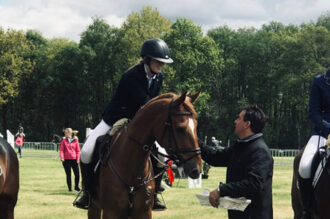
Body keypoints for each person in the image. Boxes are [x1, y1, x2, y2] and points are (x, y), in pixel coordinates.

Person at [74, 38, 173, 210]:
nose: (161, 65)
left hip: (139, 123)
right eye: (158, 61)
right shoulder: (132, 76)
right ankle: (88, 192)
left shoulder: (158, 77)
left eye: (163, 62)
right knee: (86, 151)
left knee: (163, 156)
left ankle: (155, 193)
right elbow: (146, 104)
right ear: (147, 59)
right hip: (115, 118)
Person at [201, 105, 273, 219]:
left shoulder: (260, 150)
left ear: (247, 124)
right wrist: (192, 139)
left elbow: (253, 184)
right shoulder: (240, 146)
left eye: (239, 118)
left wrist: (221, 190)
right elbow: (215, 157)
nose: (235, 121)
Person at [298, 69, 330, 218]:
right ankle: (307, 209)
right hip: (323, 133)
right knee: (304, 166)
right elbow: (313, 112)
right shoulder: (320, 81)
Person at [60, 128, 81, 192]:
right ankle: (70, 189)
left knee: (77, 174)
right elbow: (61, 150)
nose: (65, 134)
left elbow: (78, 151)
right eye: (65, 133)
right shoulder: (63, 141)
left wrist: (78, 159)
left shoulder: (75, 141)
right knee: (68, 174)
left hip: (74, 160)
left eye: (66, 133)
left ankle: (76, 187)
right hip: (66, 161)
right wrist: (62, 157)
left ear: (70, 133)